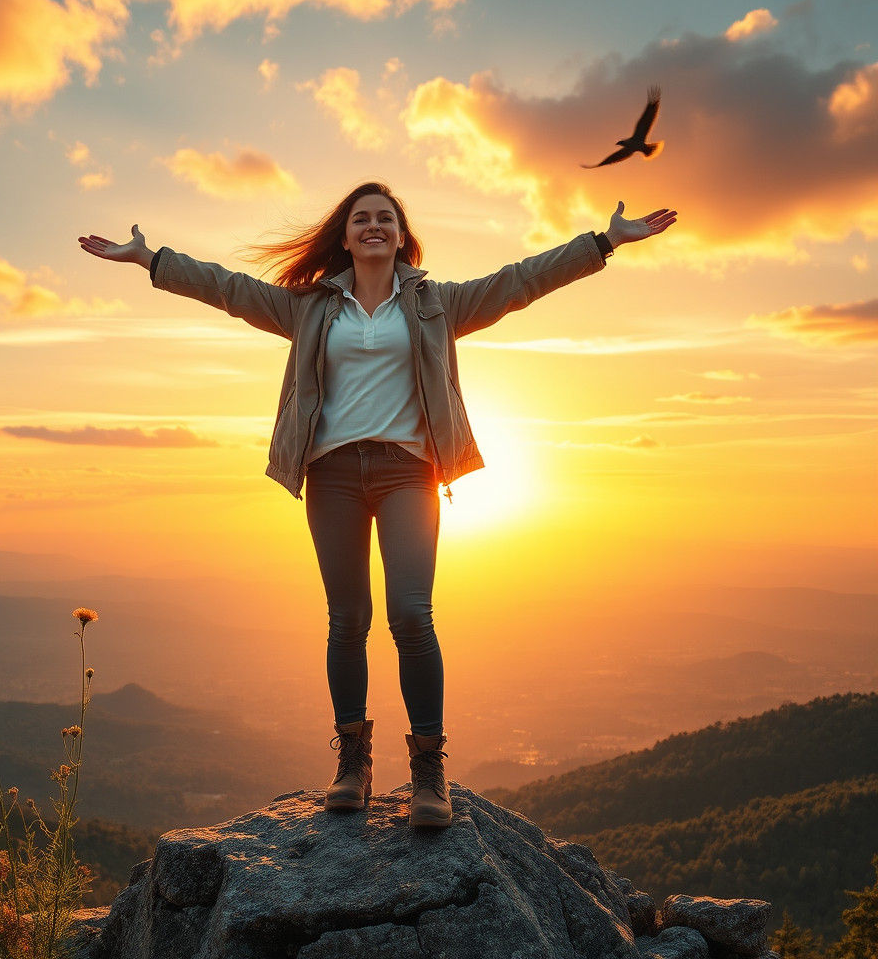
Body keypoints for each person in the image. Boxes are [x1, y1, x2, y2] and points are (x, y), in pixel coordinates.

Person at [78, 183, 677, 829]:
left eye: (384, 219)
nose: (373, 226)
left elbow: (518, 283)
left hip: (407, 474)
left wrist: (605, 242)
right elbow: (230, 290)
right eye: (361, 218)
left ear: (400, 235)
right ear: (345, 235)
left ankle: (428, 772)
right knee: (346, 620)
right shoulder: (308, 308)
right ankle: (353, 765)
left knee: (412, 615)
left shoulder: (434, 304)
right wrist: (150, 260)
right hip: (332, 474)